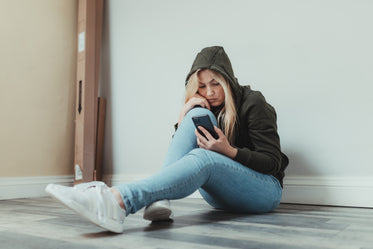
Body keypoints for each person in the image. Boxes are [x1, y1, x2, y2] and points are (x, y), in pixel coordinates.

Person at [46, 46, 289, 233]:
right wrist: (184, 117)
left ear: (228, 79)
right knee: (196, 114)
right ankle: (159, 198)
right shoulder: (207, 106)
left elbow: (272, 162)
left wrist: (229, 151)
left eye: (216, 83)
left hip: (264, 192)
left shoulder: (253, 102)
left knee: (205, 156)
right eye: (202, 86)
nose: (210, 92)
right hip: (221, 196)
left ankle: (118, 201)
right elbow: (182, 155)